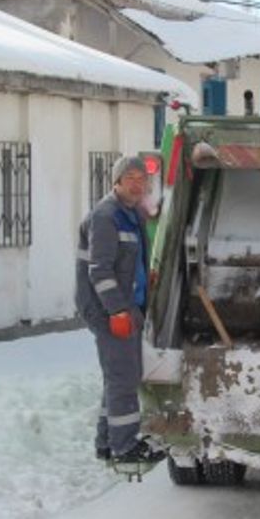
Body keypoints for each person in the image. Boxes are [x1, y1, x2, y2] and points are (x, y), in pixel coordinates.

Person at [75, 155, 163, 464]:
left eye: (143, 179)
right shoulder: (106, 216)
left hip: (127, 306)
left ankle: (106, 442)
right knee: (124, 377)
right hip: (108, 310)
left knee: (117, 376)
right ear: (117, 181)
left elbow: (130, 261)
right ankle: (125, 448)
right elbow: (99, 271)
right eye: (132, 179)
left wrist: (145, 279)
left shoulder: (132, 214)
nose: (138, 185)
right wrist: (116, 311)